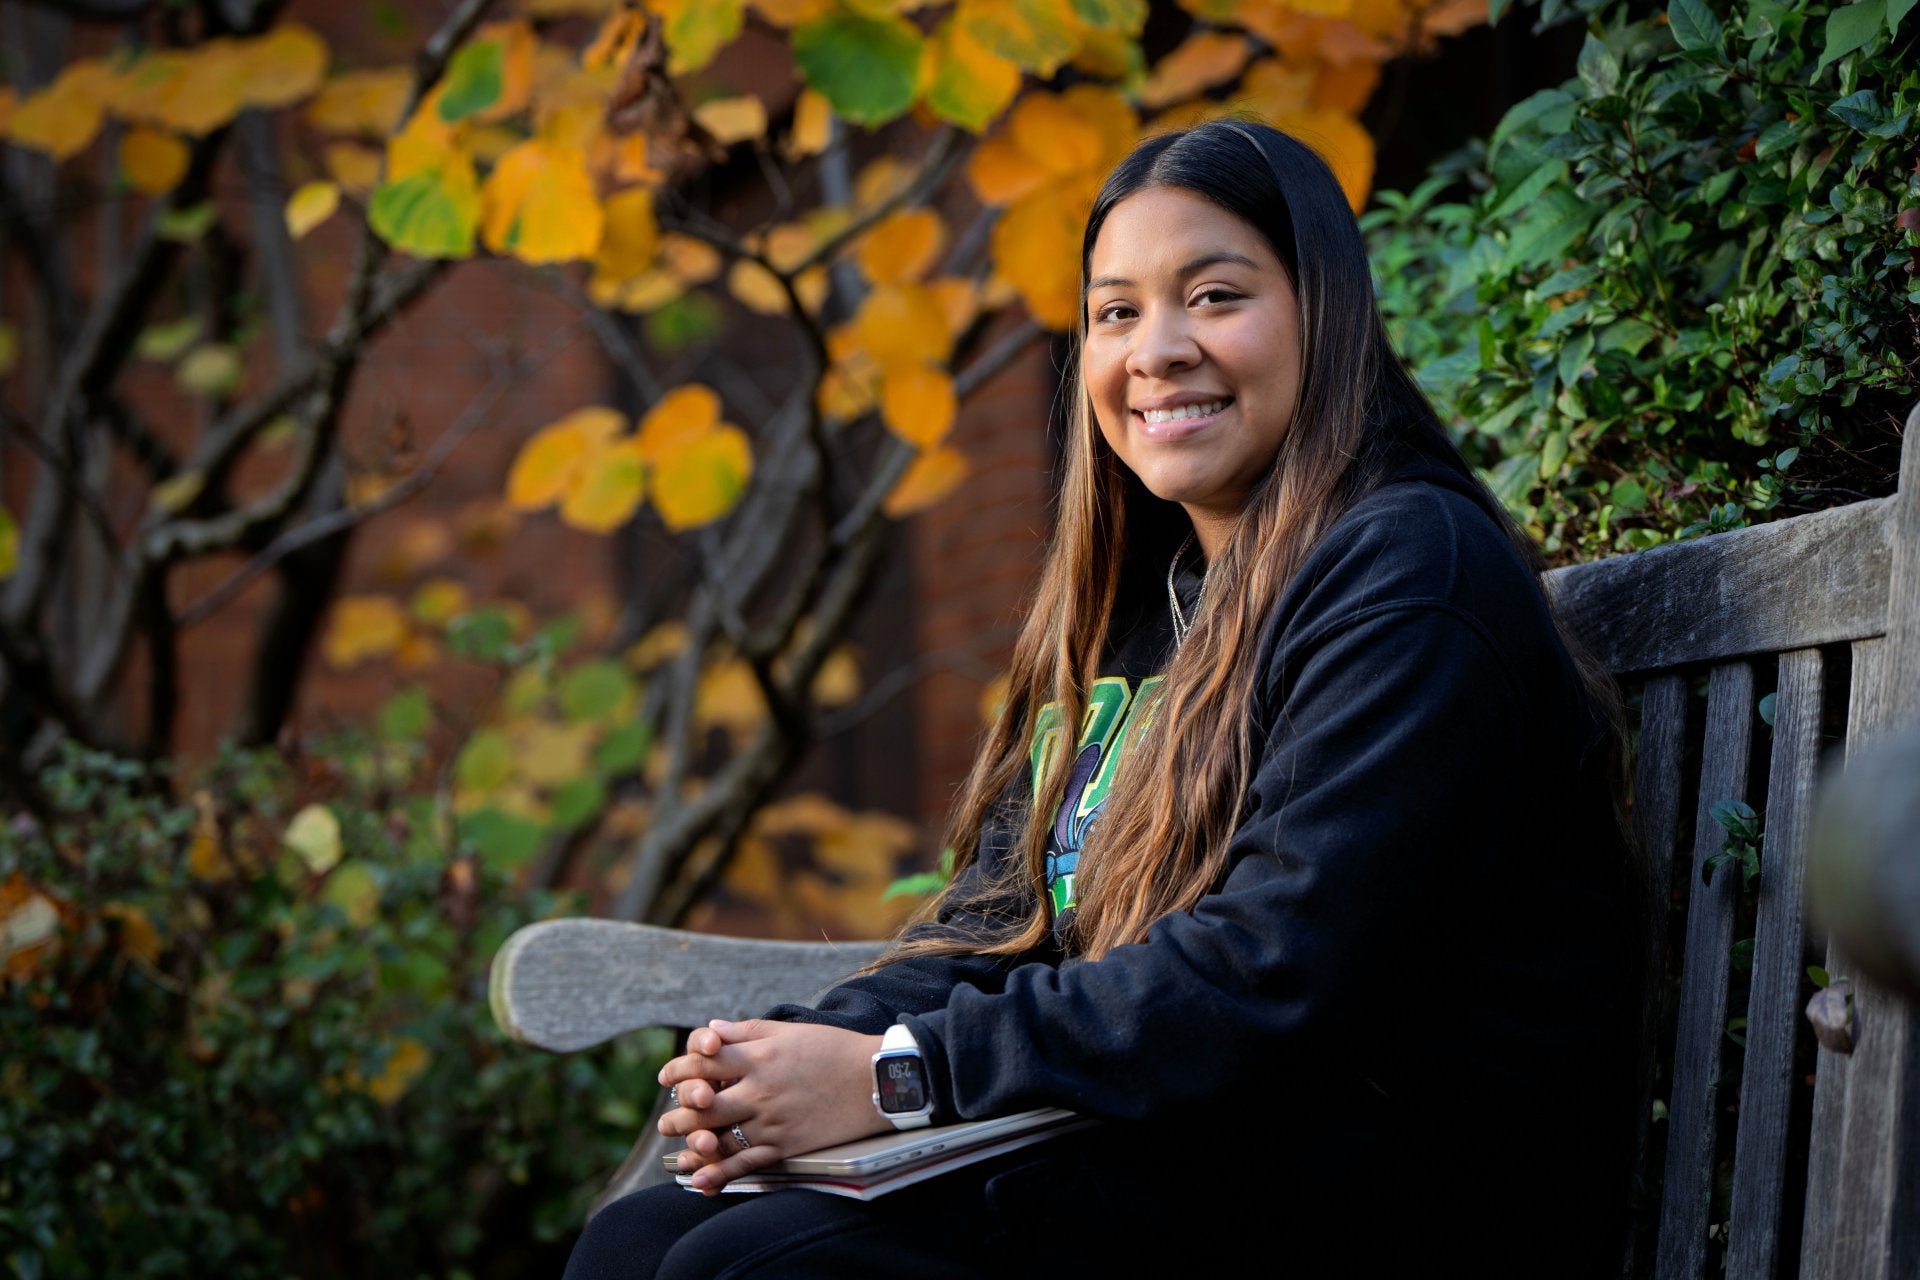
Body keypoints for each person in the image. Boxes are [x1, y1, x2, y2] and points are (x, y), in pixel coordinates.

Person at [564, 118, 1645, 1280]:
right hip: (1193, 1165)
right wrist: (805, 1048)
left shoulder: (1410, 574)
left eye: (1215, 295)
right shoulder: (1145, 610)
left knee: (757, 1268)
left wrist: (898, 1072)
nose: (1157, 348)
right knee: (641, 1238)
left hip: (1383, 1203)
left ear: (1324, 311)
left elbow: (1268, 968)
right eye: (1116, 311)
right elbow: (1002, 916)